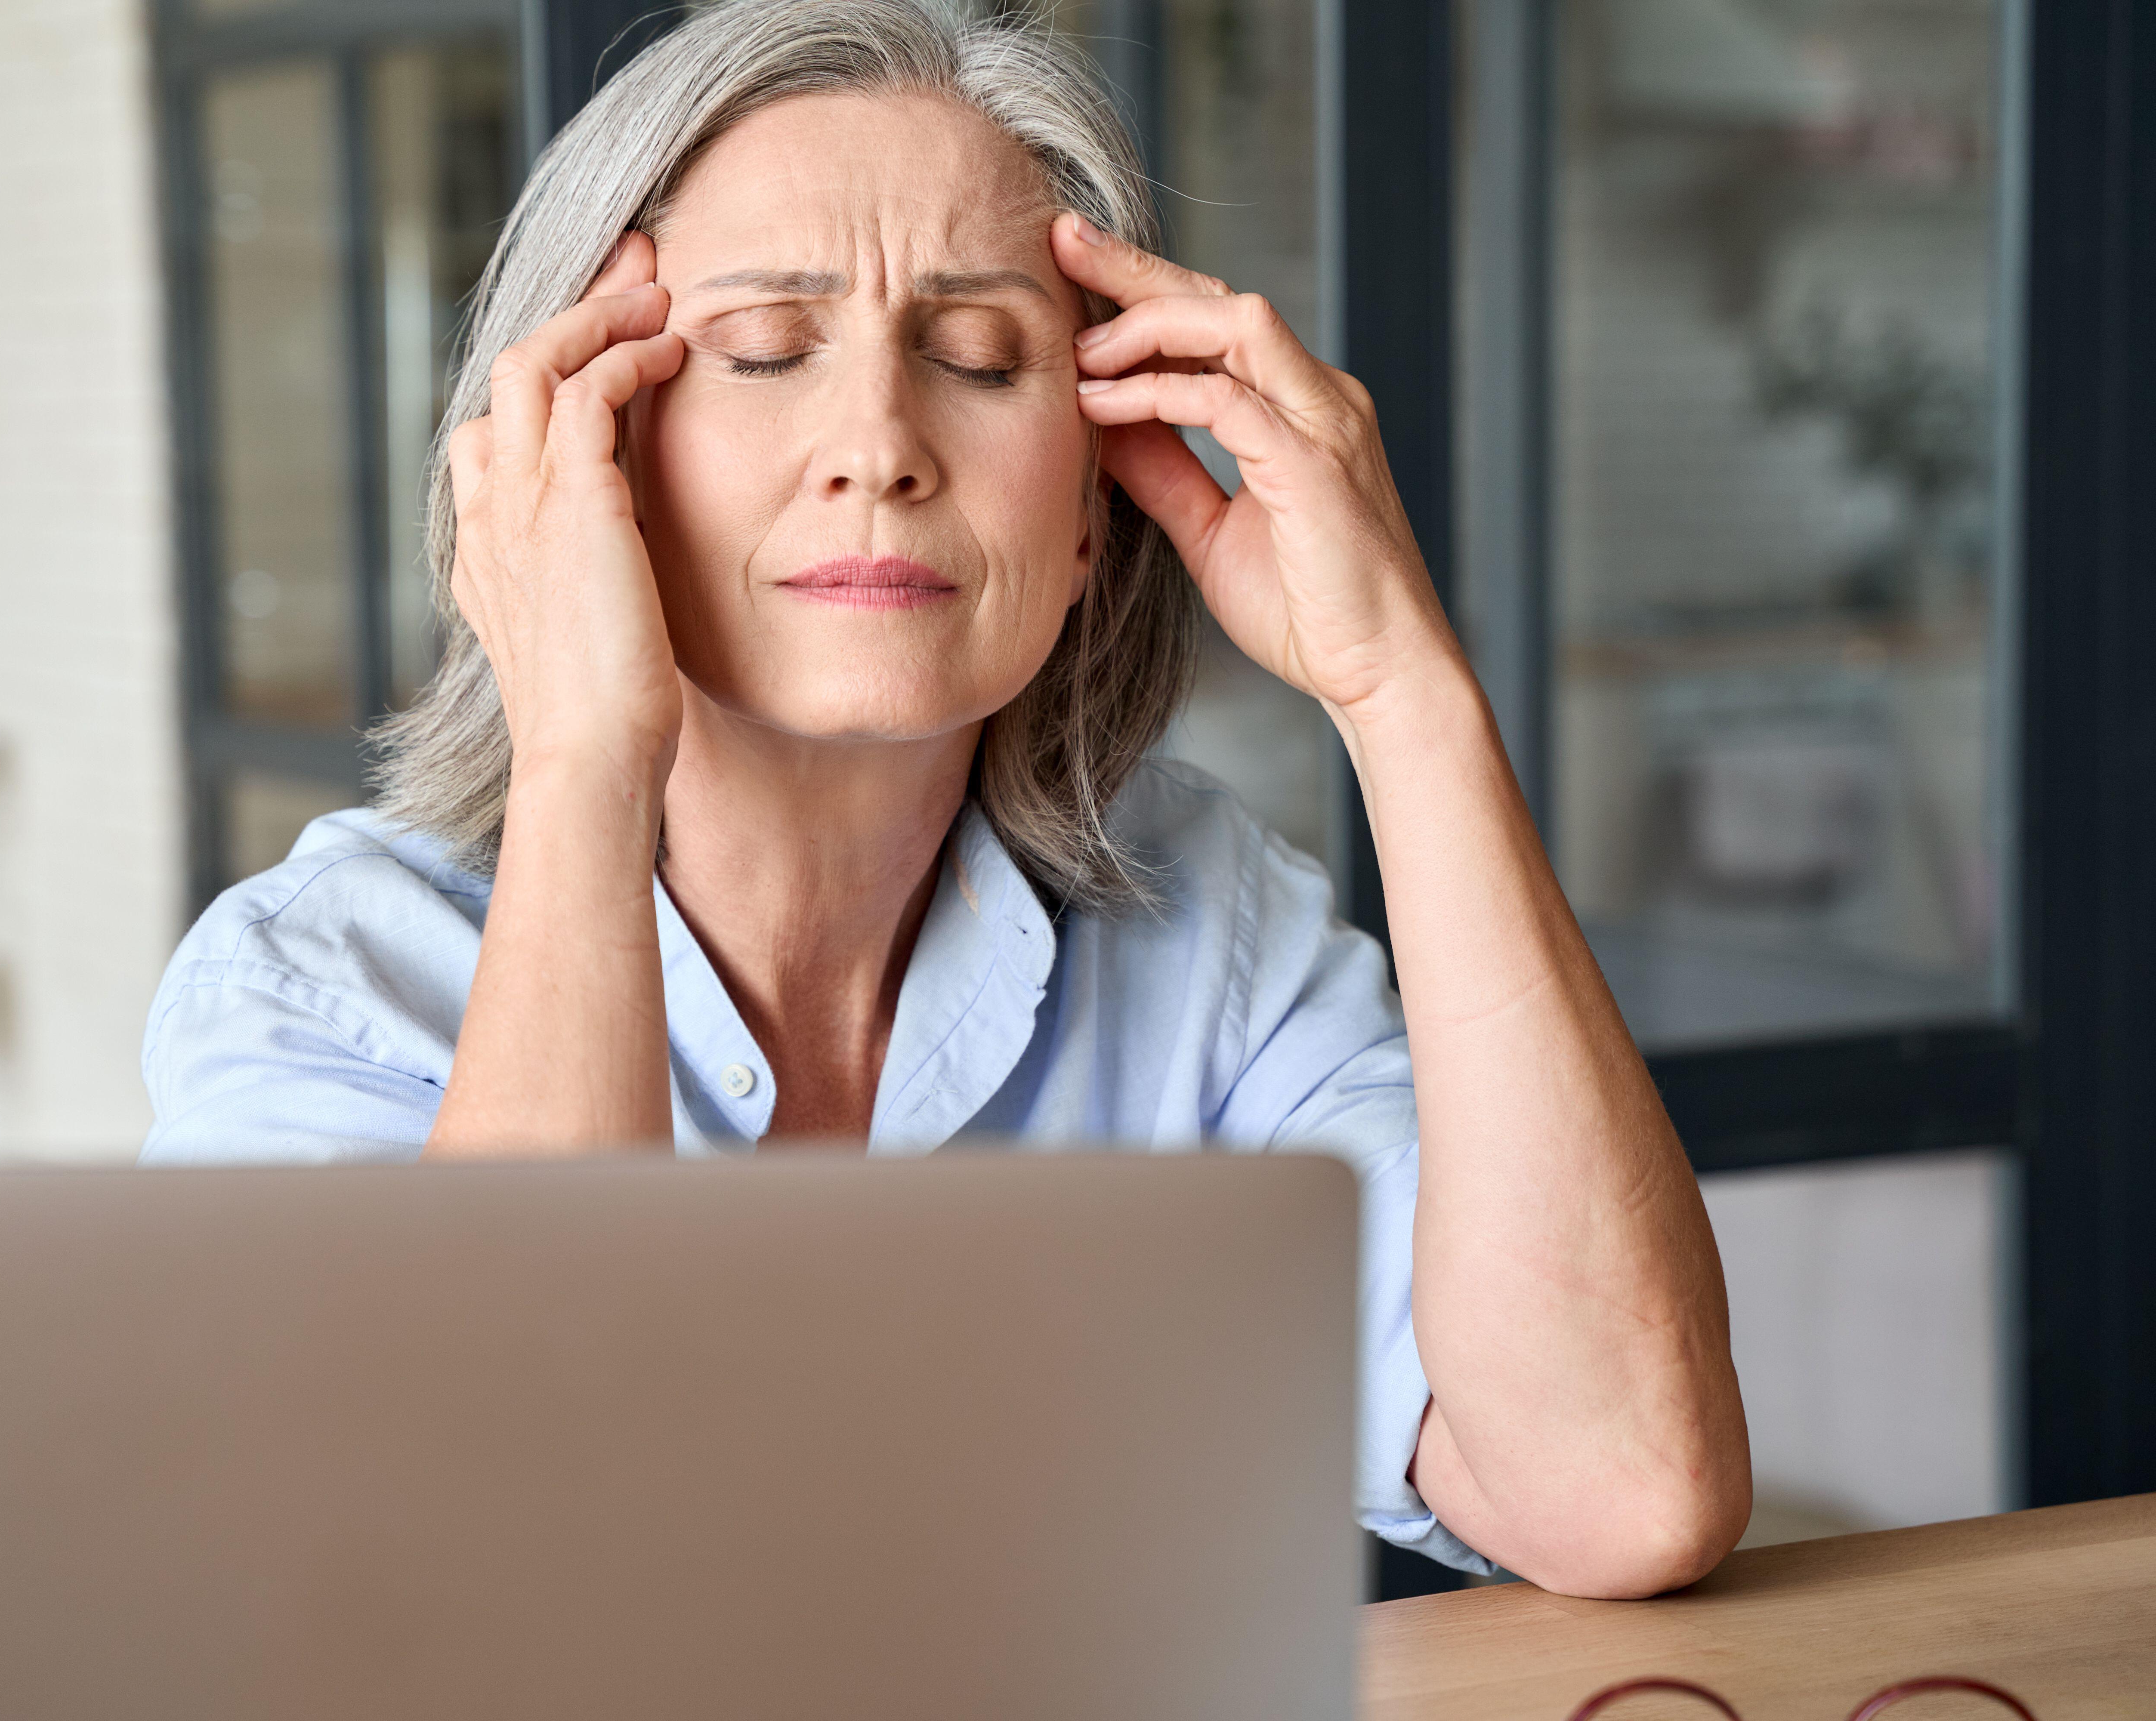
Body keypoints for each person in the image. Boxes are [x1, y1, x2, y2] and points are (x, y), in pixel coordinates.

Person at [142, 0, 1751, 1598]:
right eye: (767, 352)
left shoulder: (1209, 941)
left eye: (980, 360)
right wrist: (583, 757)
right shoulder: (323, 994)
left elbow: (1622, 1487)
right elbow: (460, 1606)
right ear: (587, 459)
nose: (881, 447)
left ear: (1091, 510)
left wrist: (1406, 695)